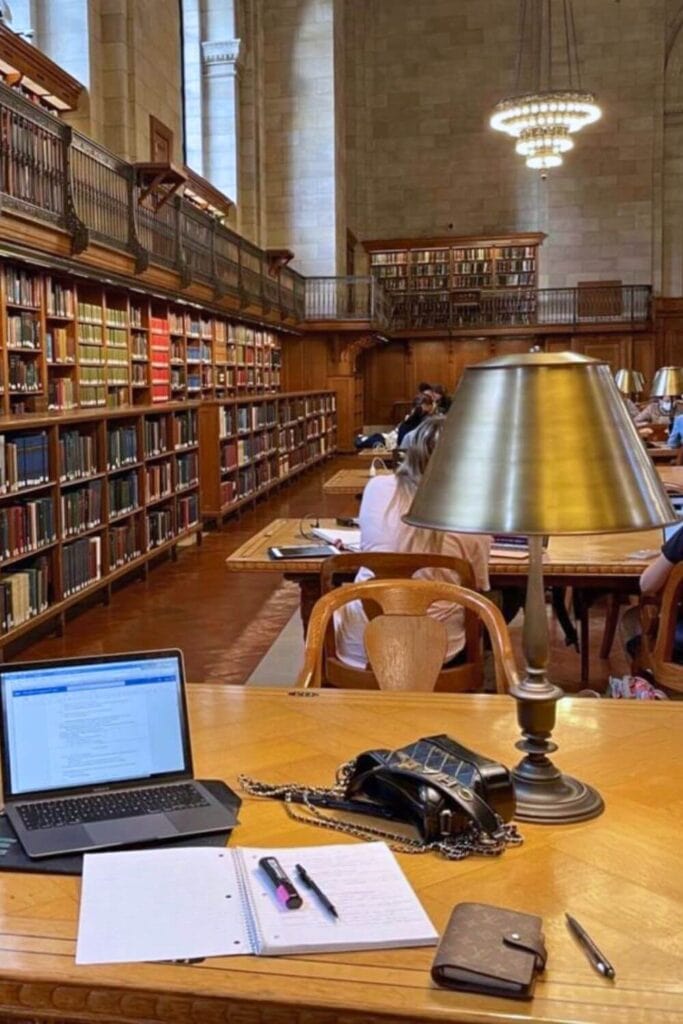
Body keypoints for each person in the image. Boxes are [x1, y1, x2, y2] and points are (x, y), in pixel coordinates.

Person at [334, 416, 491, 669]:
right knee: (502, 600)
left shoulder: (375, 487)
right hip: (437, 652)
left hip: (362, 643)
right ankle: (475, 681)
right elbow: (479, 586)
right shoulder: (471, 512)